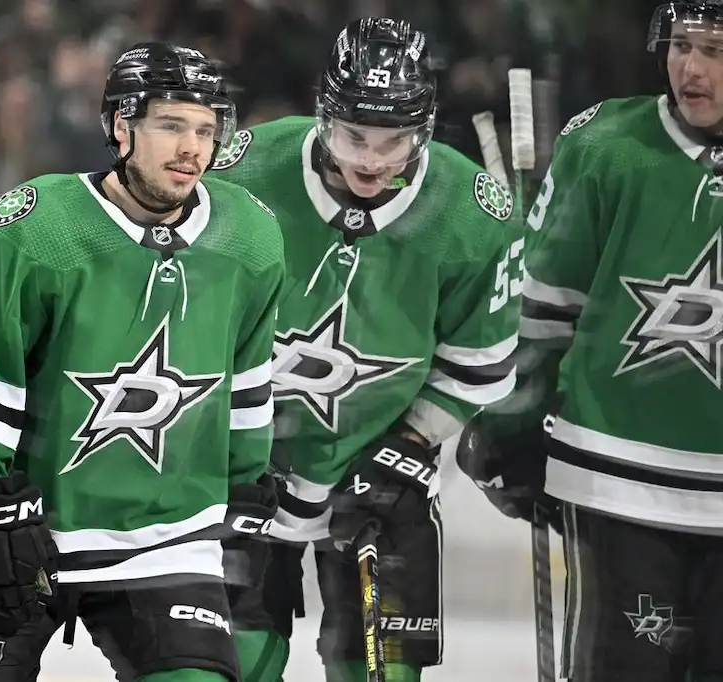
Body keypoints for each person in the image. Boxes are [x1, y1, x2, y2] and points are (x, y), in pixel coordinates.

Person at [0, 42, 284, 682]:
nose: (192, 147)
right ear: (118, 125)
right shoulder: (37, 228)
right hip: (27, 533)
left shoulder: (250, 237)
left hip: (165, 544)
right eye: (169, 124)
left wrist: (245, 487)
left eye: (206, 129)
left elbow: (246, 377)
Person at [211, 17, 524, 682]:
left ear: (427, 128)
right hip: (241, 470)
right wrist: (222, 437)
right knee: (228, 667)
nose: (371, 159)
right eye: (355, 135)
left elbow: (480, 364)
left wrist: (411, 444)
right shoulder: (243, 172)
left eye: (395, 140)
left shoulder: (471, 212)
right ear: (323, 116)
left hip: (381, 478)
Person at [455, 2, 723, 681]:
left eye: (715, 52)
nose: (691, 68)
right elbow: (543, 310)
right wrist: (513, 417)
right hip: (617, 478)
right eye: (683, 45)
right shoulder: (607, 144)